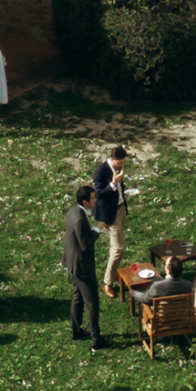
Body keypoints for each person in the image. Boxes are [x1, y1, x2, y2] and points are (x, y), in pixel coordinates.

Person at [63, 184, 105, 350]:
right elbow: (85, 245)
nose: (95, 200)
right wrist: (97, 229)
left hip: (73, 262)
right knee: (92, 303)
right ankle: (97, 339)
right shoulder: (80, 220)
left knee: (77, 297)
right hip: (82, 266)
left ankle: (76, 330)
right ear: (85, 201)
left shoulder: (74, 211)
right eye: (93, 198)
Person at [93, 146, 129, 293]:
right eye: (119, 163)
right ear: (112, 159)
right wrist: (113, 184)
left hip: (120, 208)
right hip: (110, 214)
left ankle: (113, 273)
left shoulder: (118, 168)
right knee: (118, 248)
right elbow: (98, 194)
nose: (122, 166)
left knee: (115, 247)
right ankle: (107, 282)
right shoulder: (101, 172)